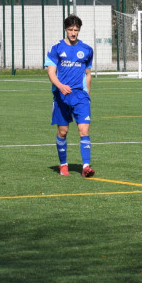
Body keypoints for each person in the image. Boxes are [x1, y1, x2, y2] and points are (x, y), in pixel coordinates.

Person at [45, 15, 94, 177]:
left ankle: (86, 167)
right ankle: (63, 165)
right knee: (63, 132)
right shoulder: (56, 48)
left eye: (76, 30)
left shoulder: (86, 50)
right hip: (61, 97)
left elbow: (88, 74)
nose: (73, 33)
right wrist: (60, 86)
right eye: (71, 30)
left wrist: (87, 94)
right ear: (65, 29)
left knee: (84, 130)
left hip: (80, 97)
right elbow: (51, 73)